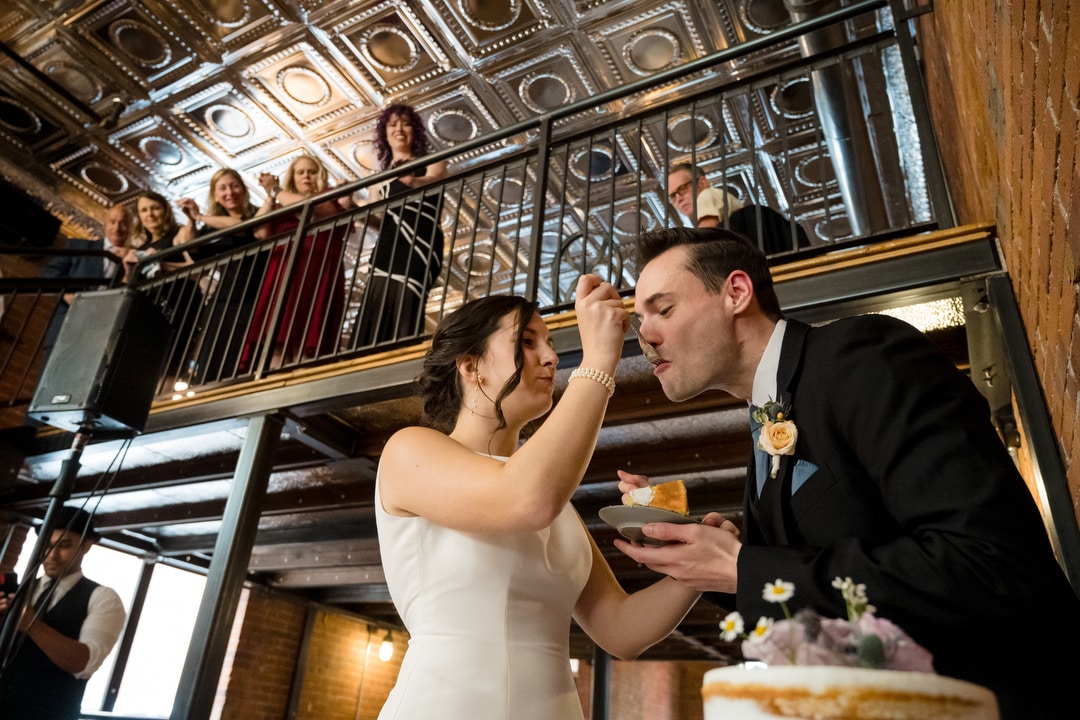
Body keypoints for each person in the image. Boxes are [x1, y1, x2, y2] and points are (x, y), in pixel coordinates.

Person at [615, 227, 1080, 718]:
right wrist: (711, 559)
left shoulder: (861, 356)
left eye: (663, 310)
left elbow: (990, 563)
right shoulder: (763, 428)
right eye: (639, 319)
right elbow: (809, 591)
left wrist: (744, 567)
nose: (645, 337)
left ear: (736, 292)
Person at [374, 278, 702, 719]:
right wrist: (600, 361)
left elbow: (620, 630)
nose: (550, 357)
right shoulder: (409, 450)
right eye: (527, 342)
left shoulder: (555, 503)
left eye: (548, 343)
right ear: (470, 367)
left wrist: (698, 563)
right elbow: (525, 499)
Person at [0, 506, 126, 720]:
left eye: (64, 545)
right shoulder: (22, 590)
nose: (52, 555)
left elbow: (83, 665)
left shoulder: (103, 598)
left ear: (86, 545)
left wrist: (31, 623)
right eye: (46, 546)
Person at [241, 154, 352, 371]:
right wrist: (269, 197)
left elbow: (311, 209)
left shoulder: (328, 196)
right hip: (283, 271)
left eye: (311, 171)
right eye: (300, 172)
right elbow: (261, 232)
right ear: (293, 176)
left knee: (307, 329)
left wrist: (276, 190)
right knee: (277, 333)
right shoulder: (282, 201)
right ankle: (271, 384)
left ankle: (302, 378)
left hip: (316, 269)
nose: (306, 176)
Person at [354, 103, 448, 348]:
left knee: (407, 298)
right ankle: (367, 357)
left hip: (420, 242)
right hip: (388, 245)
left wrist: (412, 180)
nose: (399, 129)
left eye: (405, 123)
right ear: (385, 132)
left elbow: (434, 178)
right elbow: (379, 219)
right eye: (393, 124)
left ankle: (399, 352)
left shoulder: (432, 161)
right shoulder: (378, 178)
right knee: (378, 298)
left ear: (414, 130)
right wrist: (353, 211)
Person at [176, 168, 265, 384]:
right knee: (213, 354)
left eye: (234, 186)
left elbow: (240, 226)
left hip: (254, 295)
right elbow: (194, 252)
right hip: (224, 299)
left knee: (243, 355)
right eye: (222, 188)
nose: (229, 192)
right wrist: (191, 220)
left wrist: (200, 216)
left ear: (243, 190)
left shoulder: (257, 213)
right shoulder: (210, 225)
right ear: (215, 195)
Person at [124, 190, 201, 380]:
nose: (149, 214)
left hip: (179, 305)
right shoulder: (140, 248)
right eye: (144, 210)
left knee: (170, 362)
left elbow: (197, 268)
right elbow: (129, 287)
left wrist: (163, 264)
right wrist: (128, 268)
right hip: (149, 311)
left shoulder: (178, 233)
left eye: (155, 208)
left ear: (165, 210)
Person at [39, 204, 132, 351]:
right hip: (66, 328)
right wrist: (67, 294)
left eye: (123, 223)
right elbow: (49, 273)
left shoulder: (132, 260)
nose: (117, 228)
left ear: (130, 227)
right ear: (105, 223)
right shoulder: (79, 246)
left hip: (101, 338)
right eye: (112, 222)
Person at [667, 162, 808, 253]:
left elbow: (705, 240)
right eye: (672, 196)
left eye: (683, 188)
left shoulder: (707, 195)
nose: (678, 198)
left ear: (703, 183)